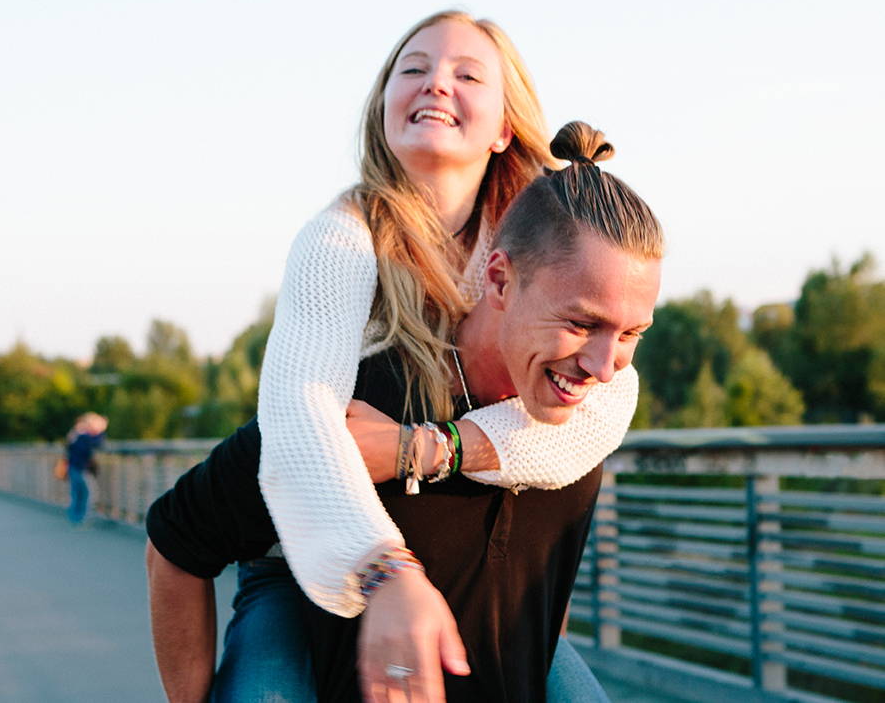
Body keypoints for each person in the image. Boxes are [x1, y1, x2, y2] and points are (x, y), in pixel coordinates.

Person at [147, 121, 664, 702]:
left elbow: (544, 607)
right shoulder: (357, 409)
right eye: (581, 323)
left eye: (631, 334)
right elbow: (175, 540)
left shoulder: (581, 425)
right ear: (498, 279)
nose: (603, 365)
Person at [253, 11, 636, 696]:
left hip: (468, 575)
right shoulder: (339, 239)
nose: (435, 84)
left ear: (504, 128)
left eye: (466, 74)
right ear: (383, 110)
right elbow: (301, 418)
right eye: (413, 69)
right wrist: (383, 568)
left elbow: (607, 403)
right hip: (316, 564)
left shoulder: (543, 234)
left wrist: (430, 448)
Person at [66, 412, 107, 526]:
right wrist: (100, 432)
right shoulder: (84, 436)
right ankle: (85, 519)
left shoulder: (76, 434)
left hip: (74, 467)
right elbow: (98, 444)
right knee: (90, 493)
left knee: (77, 494)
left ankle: (75, 520)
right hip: (81, 469)